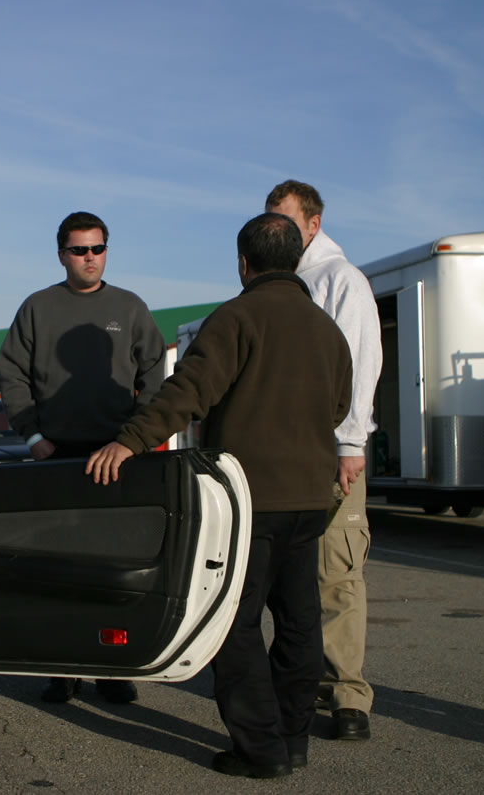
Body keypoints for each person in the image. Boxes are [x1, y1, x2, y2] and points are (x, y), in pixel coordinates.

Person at [87, 213, 352, 778]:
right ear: (296, 261)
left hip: (253, 499)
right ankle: (293, 738)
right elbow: (339, 407)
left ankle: (260, 749)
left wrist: (130, 441)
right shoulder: (326, 329)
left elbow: (189, 391)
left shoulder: (236, 318)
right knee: (301, 621)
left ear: (243, 262)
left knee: (234, 622)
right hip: (311, 498)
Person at [0, 210, 166, 705]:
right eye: (79, 250)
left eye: (98, 248)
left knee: (116, 570)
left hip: (117, 457)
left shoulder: (129, 308)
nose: (90, 257)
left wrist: (135, 438)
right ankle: (62, 670)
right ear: (61, 255)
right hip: (56, 457)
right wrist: (33, 436)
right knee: (58, 569)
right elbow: (12, 373)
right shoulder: (37, 308)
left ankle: (113, 670)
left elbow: (156, 376)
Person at [266, 180, 382, 741]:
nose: (278, 230)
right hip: (288, 458)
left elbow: (361, 363)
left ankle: (348, 698)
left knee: (337, 574)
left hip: (332, 453)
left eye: (287, 220)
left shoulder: (341, 279)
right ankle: (304, 684)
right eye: (271, 220)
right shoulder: (281, 283)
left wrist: (351, 444)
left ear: (314, 224)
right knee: (293, 578)